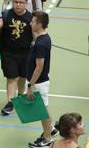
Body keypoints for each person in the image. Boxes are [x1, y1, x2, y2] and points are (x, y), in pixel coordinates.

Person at [0, 0, 33, 116]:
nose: (18, 5)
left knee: (22, 77)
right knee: (11, 78)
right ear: (13, 2)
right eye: (16, 2)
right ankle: (10, 102)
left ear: (26, 3)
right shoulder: (5, 15)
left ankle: (20, 98)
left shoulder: (31, 18)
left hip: (26, 53)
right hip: (8, 52)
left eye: (21, 2)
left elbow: (35, 35)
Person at [25, 11, 54, 148]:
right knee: (43, 109)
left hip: (39, 82)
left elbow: (39, 67)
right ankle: (51, 130)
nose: (30, 23)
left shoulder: (42, 43)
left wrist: (30, 85)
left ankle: (48, 139)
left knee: (43, 111)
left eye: (33, 21)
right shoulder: (40, 38)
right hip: (38, 81)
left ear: (40, 24)